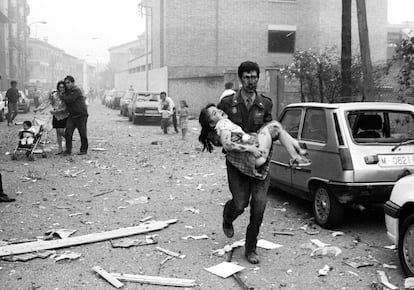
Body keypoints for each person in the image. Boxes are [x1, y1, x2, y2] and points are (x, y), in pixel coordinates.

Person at [216, 61, 278, 264]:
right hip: (237, 164)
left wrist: (266, 140)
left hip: (260, 163)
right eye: (247, 77)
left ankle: (251, 248)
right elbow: (216, 132)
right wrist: (232, 142)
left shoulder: (266, 103)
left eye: (254, 77)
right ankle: (228, 215)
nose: (251, 81)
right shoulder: (227, 104)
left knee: (259, 206)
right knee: (241, 202)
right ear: (240, 79)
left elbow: (270, 130)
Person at [198, 104, 309, 169]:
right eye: (214, 113)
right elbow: (227, 145)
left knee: (276, 128)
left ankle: (296, 156)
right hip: (255, 153)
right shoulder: (223, 124)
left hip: (256, 155)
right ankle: (296, 149)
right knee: (274, 126)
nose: (219, 111)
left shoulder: (223, 125)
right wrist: (250, 148)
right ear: (212, 123)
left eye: (217, 109)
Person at [34, 81, 69, 154]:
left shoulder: (66, 95)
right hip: (56, 116)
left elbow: (67, 107)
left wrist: (58, 111)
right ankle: (60, 149)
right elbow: (47, 102)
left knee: (61, 131)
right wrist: (39, 109)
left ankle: (68, 140)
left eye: (63, 87)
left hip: (64, 115)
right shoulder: (55, 95)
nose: (61, 88)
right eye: (60, 87)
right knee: (58, 133)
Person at [60, 75, 88, 156]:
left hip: (81, 115)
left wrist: (61, 95)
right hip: (72, 115)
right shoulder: (67, 92)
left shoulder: (76, 90)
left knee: (82, 133)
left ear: (73, 83)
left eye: (68, 83)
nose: (67, 85)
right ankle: (68, 150)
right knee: (68, 133)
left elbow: (69, 99)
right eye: (66, 83)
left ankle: (83, 150)